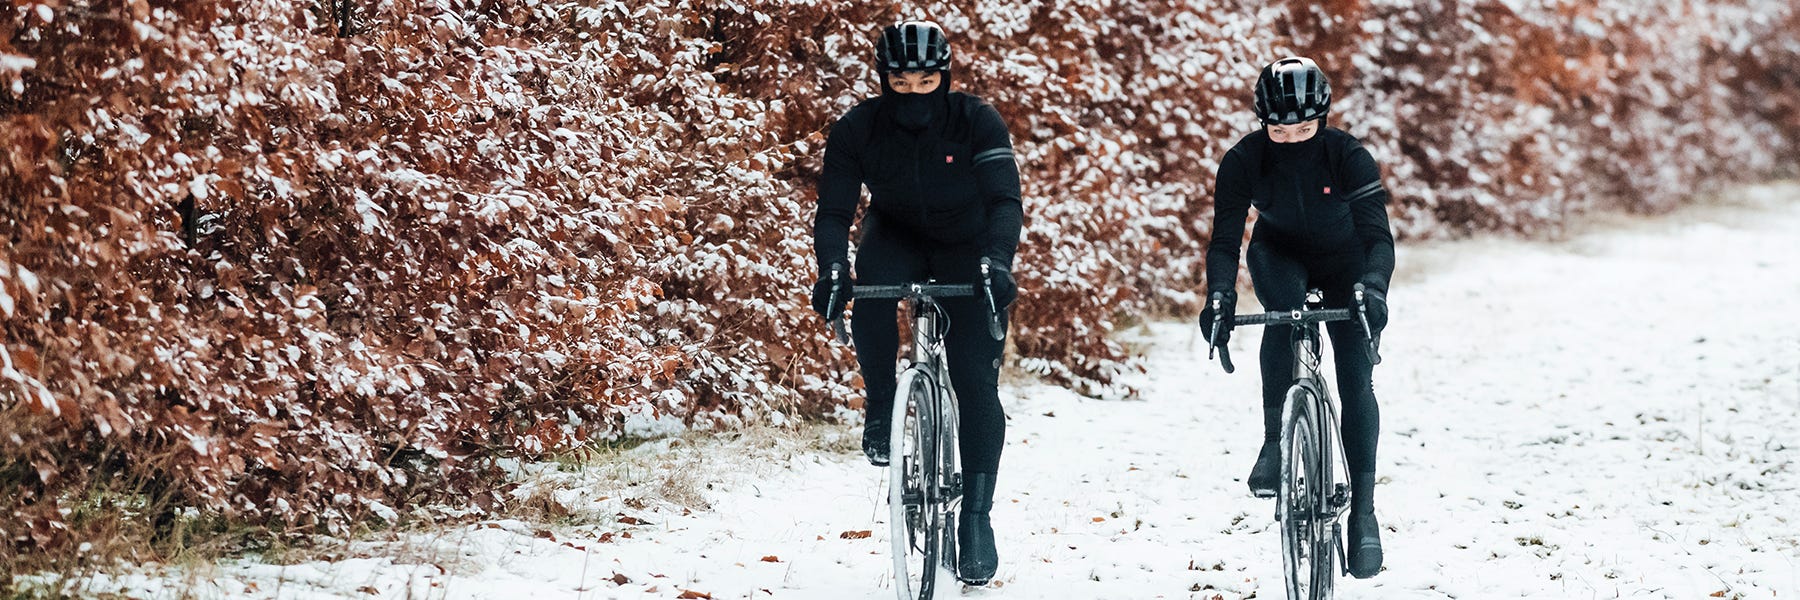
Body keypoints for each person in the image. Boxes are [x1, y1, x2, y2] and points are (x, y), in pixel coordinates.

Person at [809, 20, 1024, 585]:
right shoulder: (858, 126)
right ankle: (882, 403)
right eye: (899, 85)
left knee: (976, 381)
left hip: (968, 242)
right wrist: (831, 267)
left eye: (925, 82)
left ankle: (975, 519)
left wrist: (997, 263)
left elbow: (1005, 200)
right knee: (870, 285)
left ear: (944, 75)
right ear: (883, 80)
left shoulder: (976, 119)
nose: (913, 94)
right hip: (896, 233)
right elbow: (833, 212)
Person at [1198, 56, 1395, 578]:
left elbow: (1379, 238)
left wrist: (1372, 288)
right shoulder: (1243, 160)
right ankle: (1274, 443)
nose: (1292, 139)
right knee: (1282, 318)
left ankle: (1364, 515)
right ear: (1263, 122)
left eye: (1304, 128)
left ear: (1323, 119)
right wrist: (1218, 295)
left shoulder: (1348, 155)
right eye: (1279, 130)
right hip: (1279, 253)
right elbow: (1224, 241)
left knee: (1356, 377)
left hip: (1346, 258)